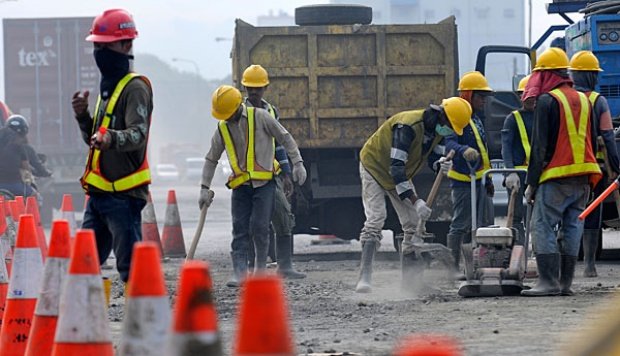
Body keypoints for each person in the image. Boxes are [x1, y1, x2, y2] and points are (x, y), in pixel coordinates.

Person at [355, 97, 472, 293]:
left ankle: (410, 282)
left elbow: (433, 156)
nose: (450, 131)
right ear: (442, 116)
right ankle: (364, 277)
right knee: (376, 218)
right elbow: (396, 169)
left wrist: (440, 164)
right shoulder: (407, 127)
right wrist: (416, 201)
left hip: (399, 171)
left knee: (413, 223)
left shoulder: (437, 130)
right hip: (374, 167)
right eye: (450, 126)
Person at [71, 9, 154, 284]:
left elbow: (138, 134)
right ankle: (87, 325)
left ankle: (140, 324)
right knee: (84, 267)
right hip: (100, 195)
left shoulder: (135, 88)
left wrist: (111, 139)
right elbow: (94, 141)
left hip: (124, 197)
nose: (100, 53)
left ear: (126, 44)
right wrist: (84, 118)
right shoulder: (108, 89)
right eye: (97, 46)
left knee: (132, 271)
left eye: (106, 46)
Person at [199, 85, 306, 287]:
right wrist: (204, 187)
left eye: (229, 114)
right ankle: (240, 271)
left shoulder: (261, 117)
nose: (227, 119)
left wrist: (297, 164)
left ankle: (259, 271)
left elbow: (285, 138)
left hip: (264, 184)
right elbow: (211, 158)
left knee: (260, 227)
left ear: (238, 106)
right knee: (239, 229)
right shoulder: (223, 127)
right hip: (241, 186)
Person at [521, 48, 601, 297]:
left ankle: (547, 281)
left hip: (556, 176)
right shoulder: (586, 100)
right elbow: (593, 139)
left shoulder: (548, 100)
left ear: (545, 74)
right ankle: (565, 283)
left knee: (542, 224)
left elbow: (540, 146)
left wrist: (531, 182)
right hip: (583, 177)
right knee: (572, 227)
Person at [241, 64, 306, 279]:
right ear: (244, 88)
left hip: (271, 174)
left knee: (283, 216)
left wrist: (287, 172)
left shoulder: (271, 111)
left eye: (257, 88)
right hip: (247, 178)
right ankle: (252, 267)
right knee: (253, 223)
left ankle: (284, 265)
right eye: (250, 88)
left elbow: (279, 143)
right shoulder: (239, 112)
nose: (254, 92)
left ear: (265, 88)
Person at [569, 50, 620, 278]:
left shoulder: (561, 98)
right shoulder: (598, 101)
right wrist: (617, 167)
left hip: (564, 167)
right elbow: (608, 136)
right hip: (593, 169)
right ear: (590, 76)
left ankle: (567, 263)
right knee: (592, 213)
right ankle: (589, 264)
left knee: (568, 214)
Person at [445, 71, 495, 277]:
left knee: (482, 224)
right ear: (468, 95)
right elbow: (447, 141)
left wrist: (489, 179)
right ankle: (452, 266)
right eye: (480, 96)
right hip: (463, 182)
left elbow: (483, 150)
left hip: (480, 180)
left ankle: (476, 263)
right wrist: (461, 149)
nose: (484, 100)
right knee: (461, 223)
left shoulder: (476, 119)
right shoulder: (457, 115)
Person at [501, 75, 535, 244]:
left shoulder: (542, 116)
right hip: (517, 173)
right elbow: (505, 147)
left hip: (536, 173)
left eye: (533, 95)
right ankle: (518, 249)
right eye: (525, 95)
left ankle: (538, 249)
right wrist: (510, 172)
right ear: (521, 96)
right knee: (516, 214)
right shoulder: (512, 119)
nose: (530, 99)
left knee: (538, 214)